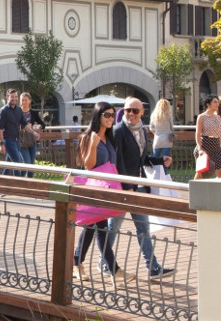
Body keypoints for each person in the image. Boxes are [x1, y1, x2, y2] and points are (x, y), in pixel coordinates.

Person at [110, 97, 175, 281]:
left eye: (135, 111)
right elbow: (118, 161)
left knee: (142, 228)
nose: (130, 114)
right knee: (113, 227)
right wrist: (126, 186)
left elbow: (142, 159)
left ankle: (152, 267)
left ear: (142, 112)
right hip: (123, 188)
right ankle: (104, 261)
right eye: (127, 110)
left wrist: (160, 160)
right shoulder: (118, 131)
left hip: (137, 186)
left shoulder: (143, 131)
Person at [71, 102, 133, 283]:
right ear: (98, 116)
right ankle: (114, 270)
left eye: (113, 115)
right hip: (94, 190)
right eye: (107, 115)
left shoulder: (109, 138)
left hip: (106, 190)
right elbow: (88, 165)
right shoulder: (88, 137)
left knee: (91, 228)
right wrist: (93, 144)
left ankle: (76, 263)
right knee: (102, 229)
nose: (110, 118)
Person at [0, 89, 28, 177]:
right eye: (12, 97)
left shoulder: (19, 109)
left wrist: (34, 132)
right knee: (19, 165)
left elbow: (25, 124)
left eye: (16, 97)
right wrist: (1, 144)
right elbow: (0, 129)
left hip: (17, 141)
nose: (14, 99)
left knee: (8, 166)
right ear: (7, 97)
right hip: (8, 141)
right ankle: (17, 184)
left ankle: (3, 182)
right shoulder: (3, 110)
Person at [195, 95, 221, 179]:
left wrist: (219, 143)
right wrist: (200, 149)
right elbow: (198, 134)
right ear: (208, 104)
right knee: (202, 172)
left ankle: (219, 188)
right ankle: (193, 186)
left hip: (216, 145)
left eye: (218, 102)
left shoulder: (218, 117)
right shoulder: (202, 117)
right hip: (205, 144)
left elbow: (219, 132)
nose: (217, 104)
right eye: (215, 102)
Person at [18, 92, 46, 178]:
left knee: (32, 163)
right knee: (27, 163)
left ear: (30, 101)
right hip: (21, 141)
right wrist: (23, 127)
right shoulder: (17, 112)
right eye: (22, 100)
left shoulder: (33, 113)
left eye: (25, 100)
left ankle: (30, 181)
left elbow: (43, 124)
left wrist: (36, 126)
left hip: (32, 140)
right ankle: (19, 178)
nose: (24, 102)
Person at [149, 98, 174, 173]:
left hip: (157, 138)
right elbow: (171, 128)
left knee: (155, 159)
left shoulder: (154, 116)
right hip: (167, 139)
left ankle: (154, 174)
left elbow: (151, 128)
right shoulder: (169, 116)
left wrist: (156, 133)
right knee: (166, 161)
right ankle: (164, 176)